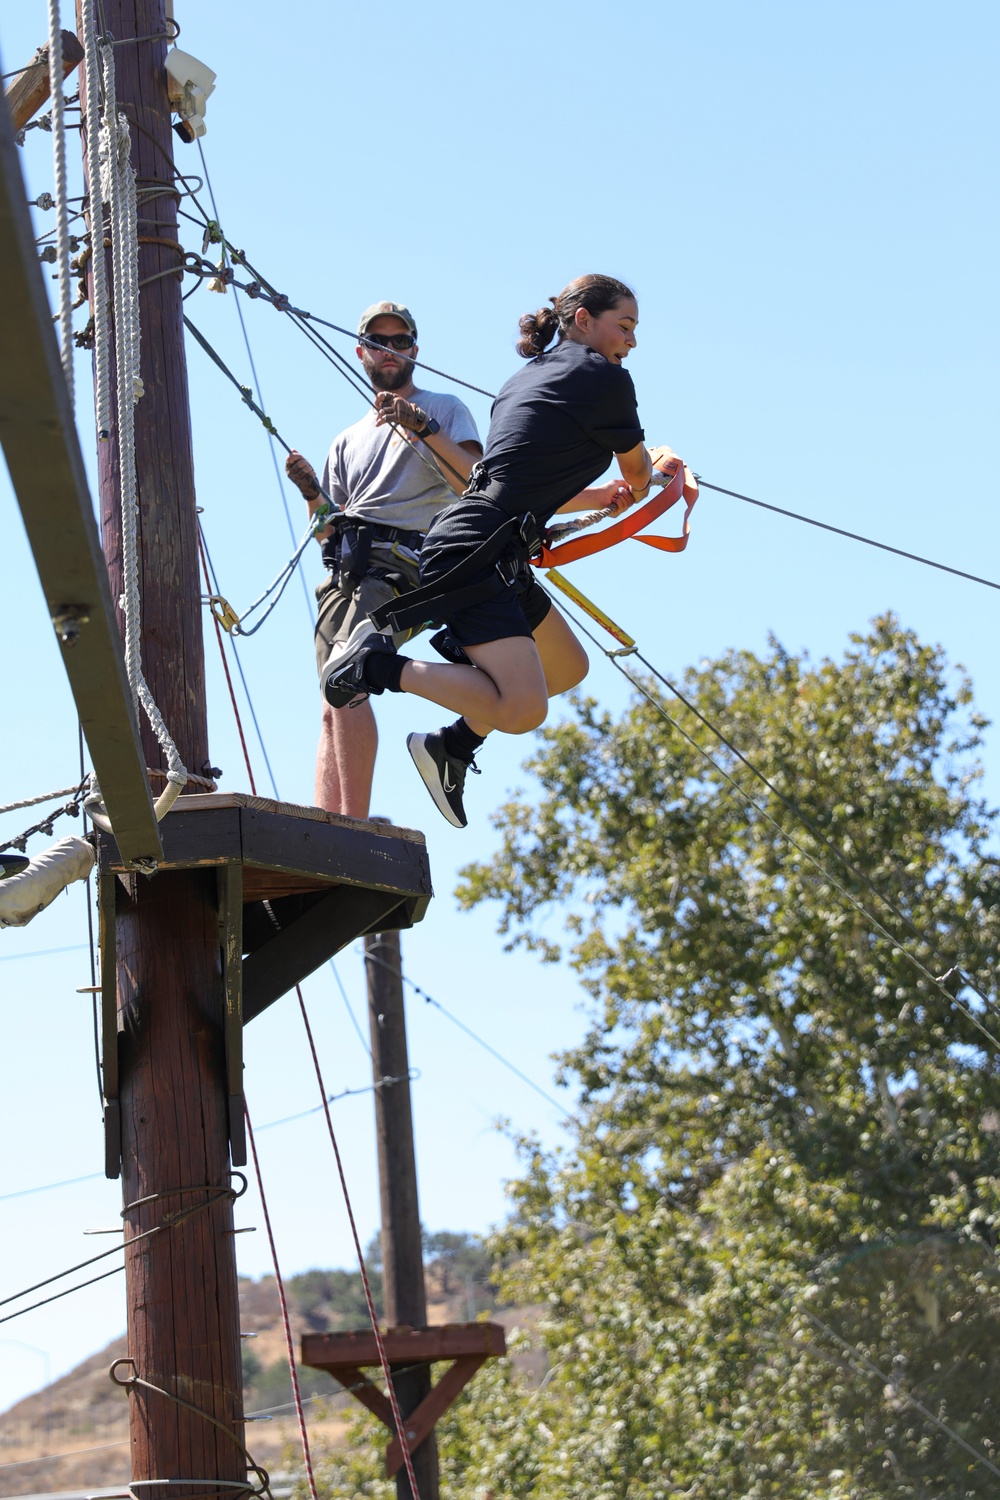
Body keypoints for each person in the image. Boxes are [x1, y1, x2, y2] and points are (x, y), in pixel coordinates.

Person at [323, 274, 693, 829]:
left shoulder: (523, 379)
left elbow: (516, 481)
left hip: (488, 545)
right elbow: (639, 474)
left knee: (565, 668)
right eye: (626, 326)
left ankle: (451, 745)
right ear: (585, 321)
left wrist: (598, 500)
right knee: (523, 709)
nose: (631, 341)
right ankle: (373, 664)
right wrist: (658, 470)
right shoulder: (607, 380)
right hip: (476, 550)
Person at [284, 301, 483, 818]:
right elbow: (327, 526)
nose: (389, 350)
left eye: (400, 342)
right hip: (348, 569)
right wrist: (311, 491)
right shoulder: (346, 440)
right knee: (332, 695)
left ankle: (350, 826)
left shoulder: (444, 409)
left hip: (405, 562)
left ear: (415, 349)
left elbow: (475, 485)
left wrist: (421, 427)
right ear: (362, 352)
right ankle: (326, 821)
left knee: (348, 681)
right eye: (379, 342)